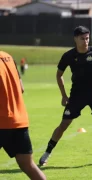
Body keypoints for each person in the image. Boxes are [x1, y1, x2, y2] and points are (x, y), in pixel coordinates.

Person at [39, 26, 92, 166]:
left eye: (87, 38)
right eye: (82, 39)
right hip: (77, 94)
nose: (85, 41)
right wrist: (64, 96)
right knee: (64, 124)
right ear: (75, 39)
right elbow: (59, 75)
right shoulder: (69, 55)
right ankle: (47, 153)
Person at [0, 51, 46, 180]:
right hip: (19, 120)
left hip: (2, 120)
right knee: (29, 166)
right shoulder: (7, 57)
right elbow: (21, 88)